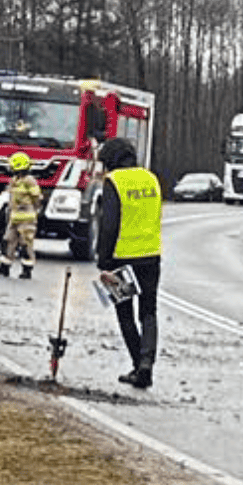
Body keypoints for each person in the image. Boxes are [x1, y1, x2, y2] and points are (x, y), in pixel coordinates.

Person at [95, 136, 161, 389]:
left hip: (121, 258)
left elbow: (109, 224)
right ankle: (147, 363)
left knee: (125, 314)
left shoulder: (114, 182)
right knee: (148, 312)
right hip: (151, 256)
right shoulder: (150, 178)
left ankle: (137, 366)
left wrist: (104, 260)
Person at [0, 152, 42, 279]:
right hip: (14, 217)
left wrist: (31, 211)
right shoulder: (15, 180)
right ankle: (4, 267)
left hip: (26, 219)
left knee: (25, 244)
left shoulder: (30, 181)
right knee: (8, 241)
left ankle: (27, 270)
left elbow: (36, 198)